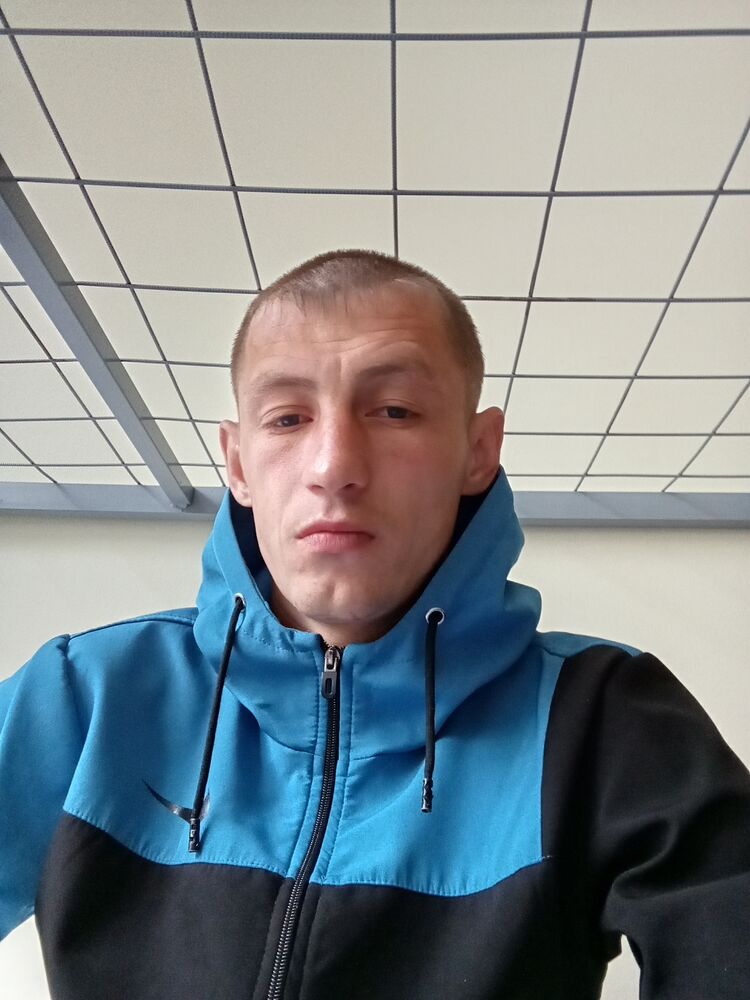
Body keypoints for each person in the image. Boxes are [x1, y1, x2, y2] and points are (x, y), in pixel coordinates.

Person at [1, 249, 749, 1000]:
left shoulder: (605, 720)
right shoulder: (84, 695)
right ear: (238, 464)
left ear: (478, 452)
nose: (333, 465)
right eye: (287, 418)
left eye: (395, 411)